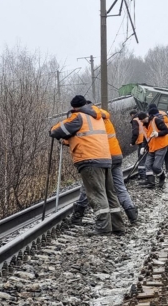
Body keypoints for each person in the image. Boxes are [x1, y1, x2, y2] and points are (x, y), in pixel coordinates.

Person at [50, 95, 125, 236]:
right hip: (105, 158)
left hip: (89, 159)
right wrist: (68, 141)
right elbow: (85, 136)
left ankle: (103, 227)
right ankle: (118, 226)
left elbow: (58, 130)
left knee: (97, 193)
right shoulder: (96, 117)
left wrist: (52, 130)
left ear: (74, 107)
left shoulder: (78, 117)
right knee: (110, 193)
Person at [72, 103, 138, 225]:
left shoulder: (90, 121)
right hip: (116, 155)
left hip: (103, 157)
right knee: (119, 187)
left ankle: (78, 214)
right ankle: (131, 213)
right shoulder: (105, 117)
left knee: (89, 186)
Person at [140, 107, 168, 189]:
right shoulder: (144, 126)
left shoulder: (156, 120)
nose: (142, 121)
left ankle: (162, 177)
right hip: (151, 147)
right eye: (141, 120)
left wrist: (158, 134)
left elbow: (166, 130)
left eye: (143, 119)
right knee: (147, 165)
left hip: (160, 146)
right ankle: (151, 182)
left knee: (156, 167)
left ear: (147, 117)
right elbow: (145, 138)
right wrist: (143, 147)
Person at [129, 109, 147, 181]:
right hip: (146, 140)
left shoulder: (135, 120)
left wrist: (132, 142)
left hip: (141, 141)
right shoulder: (142, 118)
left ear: (132, 115)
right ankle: (146, 174)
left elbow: (135, 132)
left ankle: (142, 175)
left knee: (141, 159)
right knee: (145, 158)